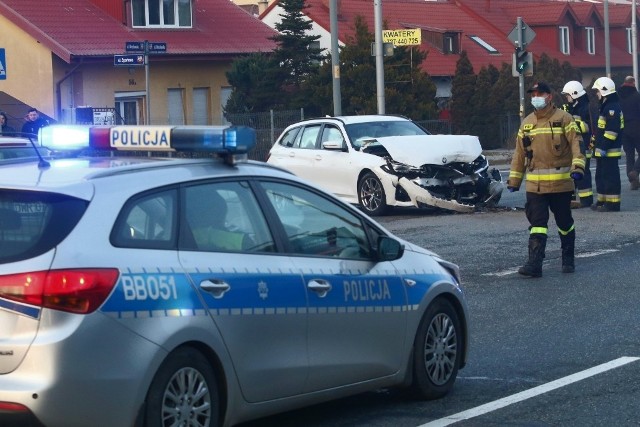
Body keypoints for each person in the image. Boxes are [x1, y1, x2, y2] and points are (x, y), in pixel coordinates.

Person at [507, 82, 585, 277]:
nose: (536, 97)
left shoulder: (564, 119)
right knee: (537, 224)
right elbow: (519, 154)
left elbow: (577, 145)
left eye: (540, 93)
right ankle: (534, 265)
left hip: (561, 184)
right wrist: (514, 180)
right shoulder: (527, 122)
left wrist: (578, 168)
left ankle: (568, 259)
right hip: (536, 186)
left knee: (564, 222)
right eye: (533, 94)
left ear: (549, 96)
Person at [591, 77, 623, 212]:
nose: (596, 94)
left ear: (604, 91)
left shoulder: (612, 108)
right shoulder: (605, 107)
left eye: (597, 91)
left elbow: (611, 131)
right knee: (601, 176)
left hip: (610, 151)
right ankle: (602, 200)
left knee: (610, 177)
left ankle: (613, 204)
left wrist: (603, 147)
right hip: (603, 150)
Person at [561, 81, 595, 207]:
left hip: (584, 145)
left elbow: (588, 127)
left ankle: (586, 199)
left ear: (574, 94)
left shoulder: (586, 107)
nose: (566, 98)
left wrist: (571, 122)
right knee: (572, 171)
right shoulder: (575, 107)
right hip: (574, 145)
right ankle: (572, 198)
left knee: (583, 172)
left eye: (567, 95)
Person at [616, 75, 640, 190]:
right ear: (633, 83)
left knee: (629, 156)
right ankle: (635, 172)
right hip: (637, 129)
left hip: (624, 130)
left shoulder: (618, 96)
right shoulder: (637, 96)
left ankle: (633, 182)